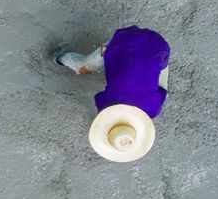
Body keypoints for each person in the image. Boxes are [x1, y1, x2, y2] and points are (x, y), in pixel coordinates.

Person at [55, 26, 170, 163]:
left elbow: (162, 90)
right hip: (125, 43)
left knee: (157, 77)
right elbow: (99, 98)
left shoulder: (154, 107)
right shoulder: (108, 103)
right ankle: (59, 56)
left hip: (158, 44)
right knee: (83, 67)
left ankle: (61, 56)